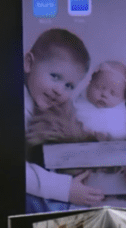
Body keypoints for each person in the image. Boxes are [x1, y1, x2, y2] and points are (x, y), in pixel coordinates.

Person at [23, 28, 104, 211]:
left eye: (68, 85)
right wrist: (65, 189)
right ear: (28, 63)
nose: (59, 90)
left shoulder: (52, 111)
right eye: (55, 76)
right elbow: (12, 168)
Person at [73, 61, 126, 141]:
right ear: (90, 83)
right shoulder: (79, 103)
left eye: (113, 93)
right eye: (98, 87)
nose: (104, 94)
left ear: (123, 98)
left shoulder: (120, 113)